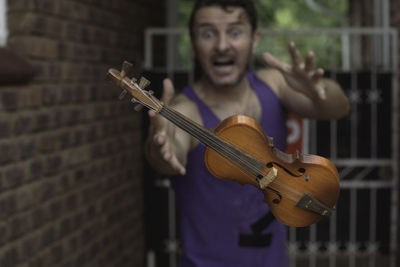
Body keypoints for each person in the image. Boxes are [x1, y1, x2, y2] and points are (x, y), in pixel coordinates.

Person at [145, 0, 350, 266]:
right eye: (208, 34)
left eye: (235, 32)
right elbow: (168, 151)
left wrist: (318, 91)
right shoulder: (187, 108)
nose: (221, 45)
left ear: (254, 40)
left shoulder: (273, 84)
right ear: (194, 44)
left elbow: (339, 107)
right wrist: (160, 145)